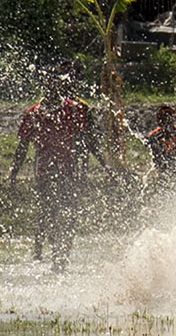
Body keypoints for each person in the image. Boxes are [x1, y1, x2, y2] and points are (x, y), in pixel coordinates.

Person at [7, 61, 106, 271]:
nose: (51, 88)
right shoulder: (33, 113)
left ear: (60, 86)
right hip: (44, 172)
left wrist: (105, 165)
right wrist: (13, 175)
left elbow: (88, 140)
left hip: (68, 171)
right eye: (47, 84)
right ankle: (53, 254)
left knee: (69, 213)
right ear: (42, 87)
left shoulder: (73, 109)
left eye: (55, 84)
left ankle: (63, 256)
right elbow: (22, 147)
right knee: (49, 213)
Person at [146, 105, 176, 183]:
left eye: (168, 118)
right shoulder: (154, 135)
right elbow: (154, 154)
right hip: (162, 167)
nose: (166, 121)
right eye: (163, 119)